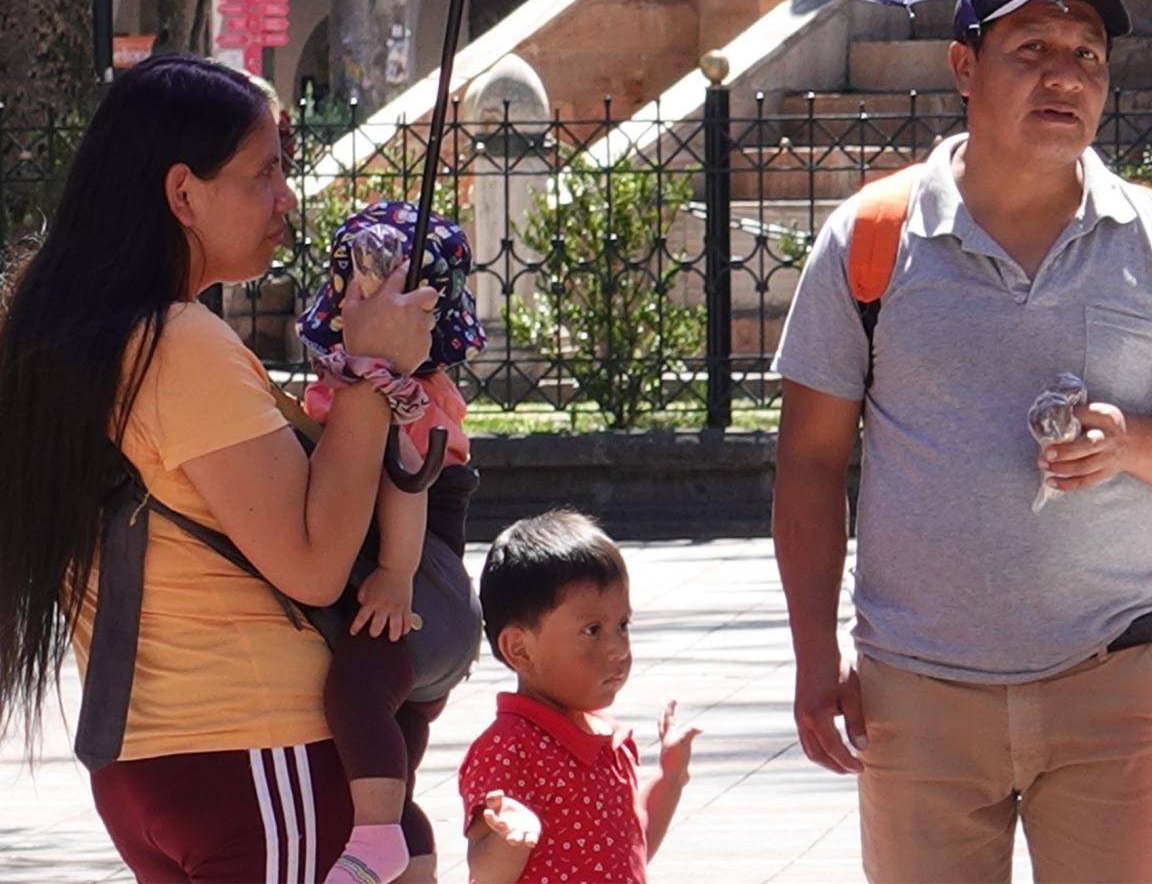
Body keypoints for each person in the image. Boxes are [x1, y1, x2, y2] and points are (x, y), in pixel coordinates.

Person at [771, 0, 1152, 884]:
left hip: (1111, 680)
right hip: (917, 689)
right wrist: (810, 657)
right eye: (1032, 47)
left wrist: (1136, 444)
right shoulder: (874, 237)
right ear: (964, 66)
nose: (1064, 76)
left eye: (1087, 55)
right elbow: (810, 463)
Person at [0, 54, 441, 882]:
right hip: (258, 750)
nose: (287, 197)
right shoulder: (180, 344)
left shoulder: (69, 335)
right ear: (182, 194)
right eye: (263, 170)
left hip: (143, 765)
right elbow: (312, 563)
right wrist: (373, 372)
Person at [297, 202, 487, 884]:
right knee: (387, 764)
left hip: (411, 597)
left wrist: (396, 574)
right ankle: (412, 859)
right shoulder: (377, 384)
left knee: (353, 696)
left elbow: (408, 482)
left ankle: (376, 836)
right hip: (422, 613)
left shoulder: (407, 395)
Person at [459, 510, 699, 884]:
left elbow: (632, 850)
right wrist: (511, 838)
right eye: (592, 630)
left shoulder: (610, 739)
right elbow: (487, 872)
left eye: (623, 625)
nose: (618, 648)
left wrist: (670, 779)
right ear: (520, 649)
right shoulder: (508, 746)